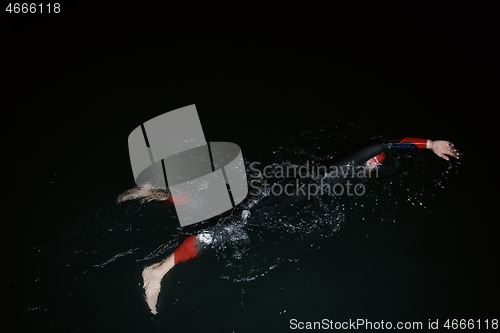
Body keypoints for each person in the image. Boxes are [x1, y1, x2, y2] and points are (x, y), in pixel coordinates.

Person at [117, 136, 460, 314]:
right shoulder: (352, 163)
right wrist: (429, 144)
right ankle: (157, 272)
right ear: (369, 161)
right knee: (228, 229)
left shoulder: (343, 171)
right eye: (373, 165)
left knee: (222, 206)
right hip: (283, 198)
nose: (371, 170)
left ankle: (154, 195)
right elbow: (386, 143)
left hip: (281, 189)